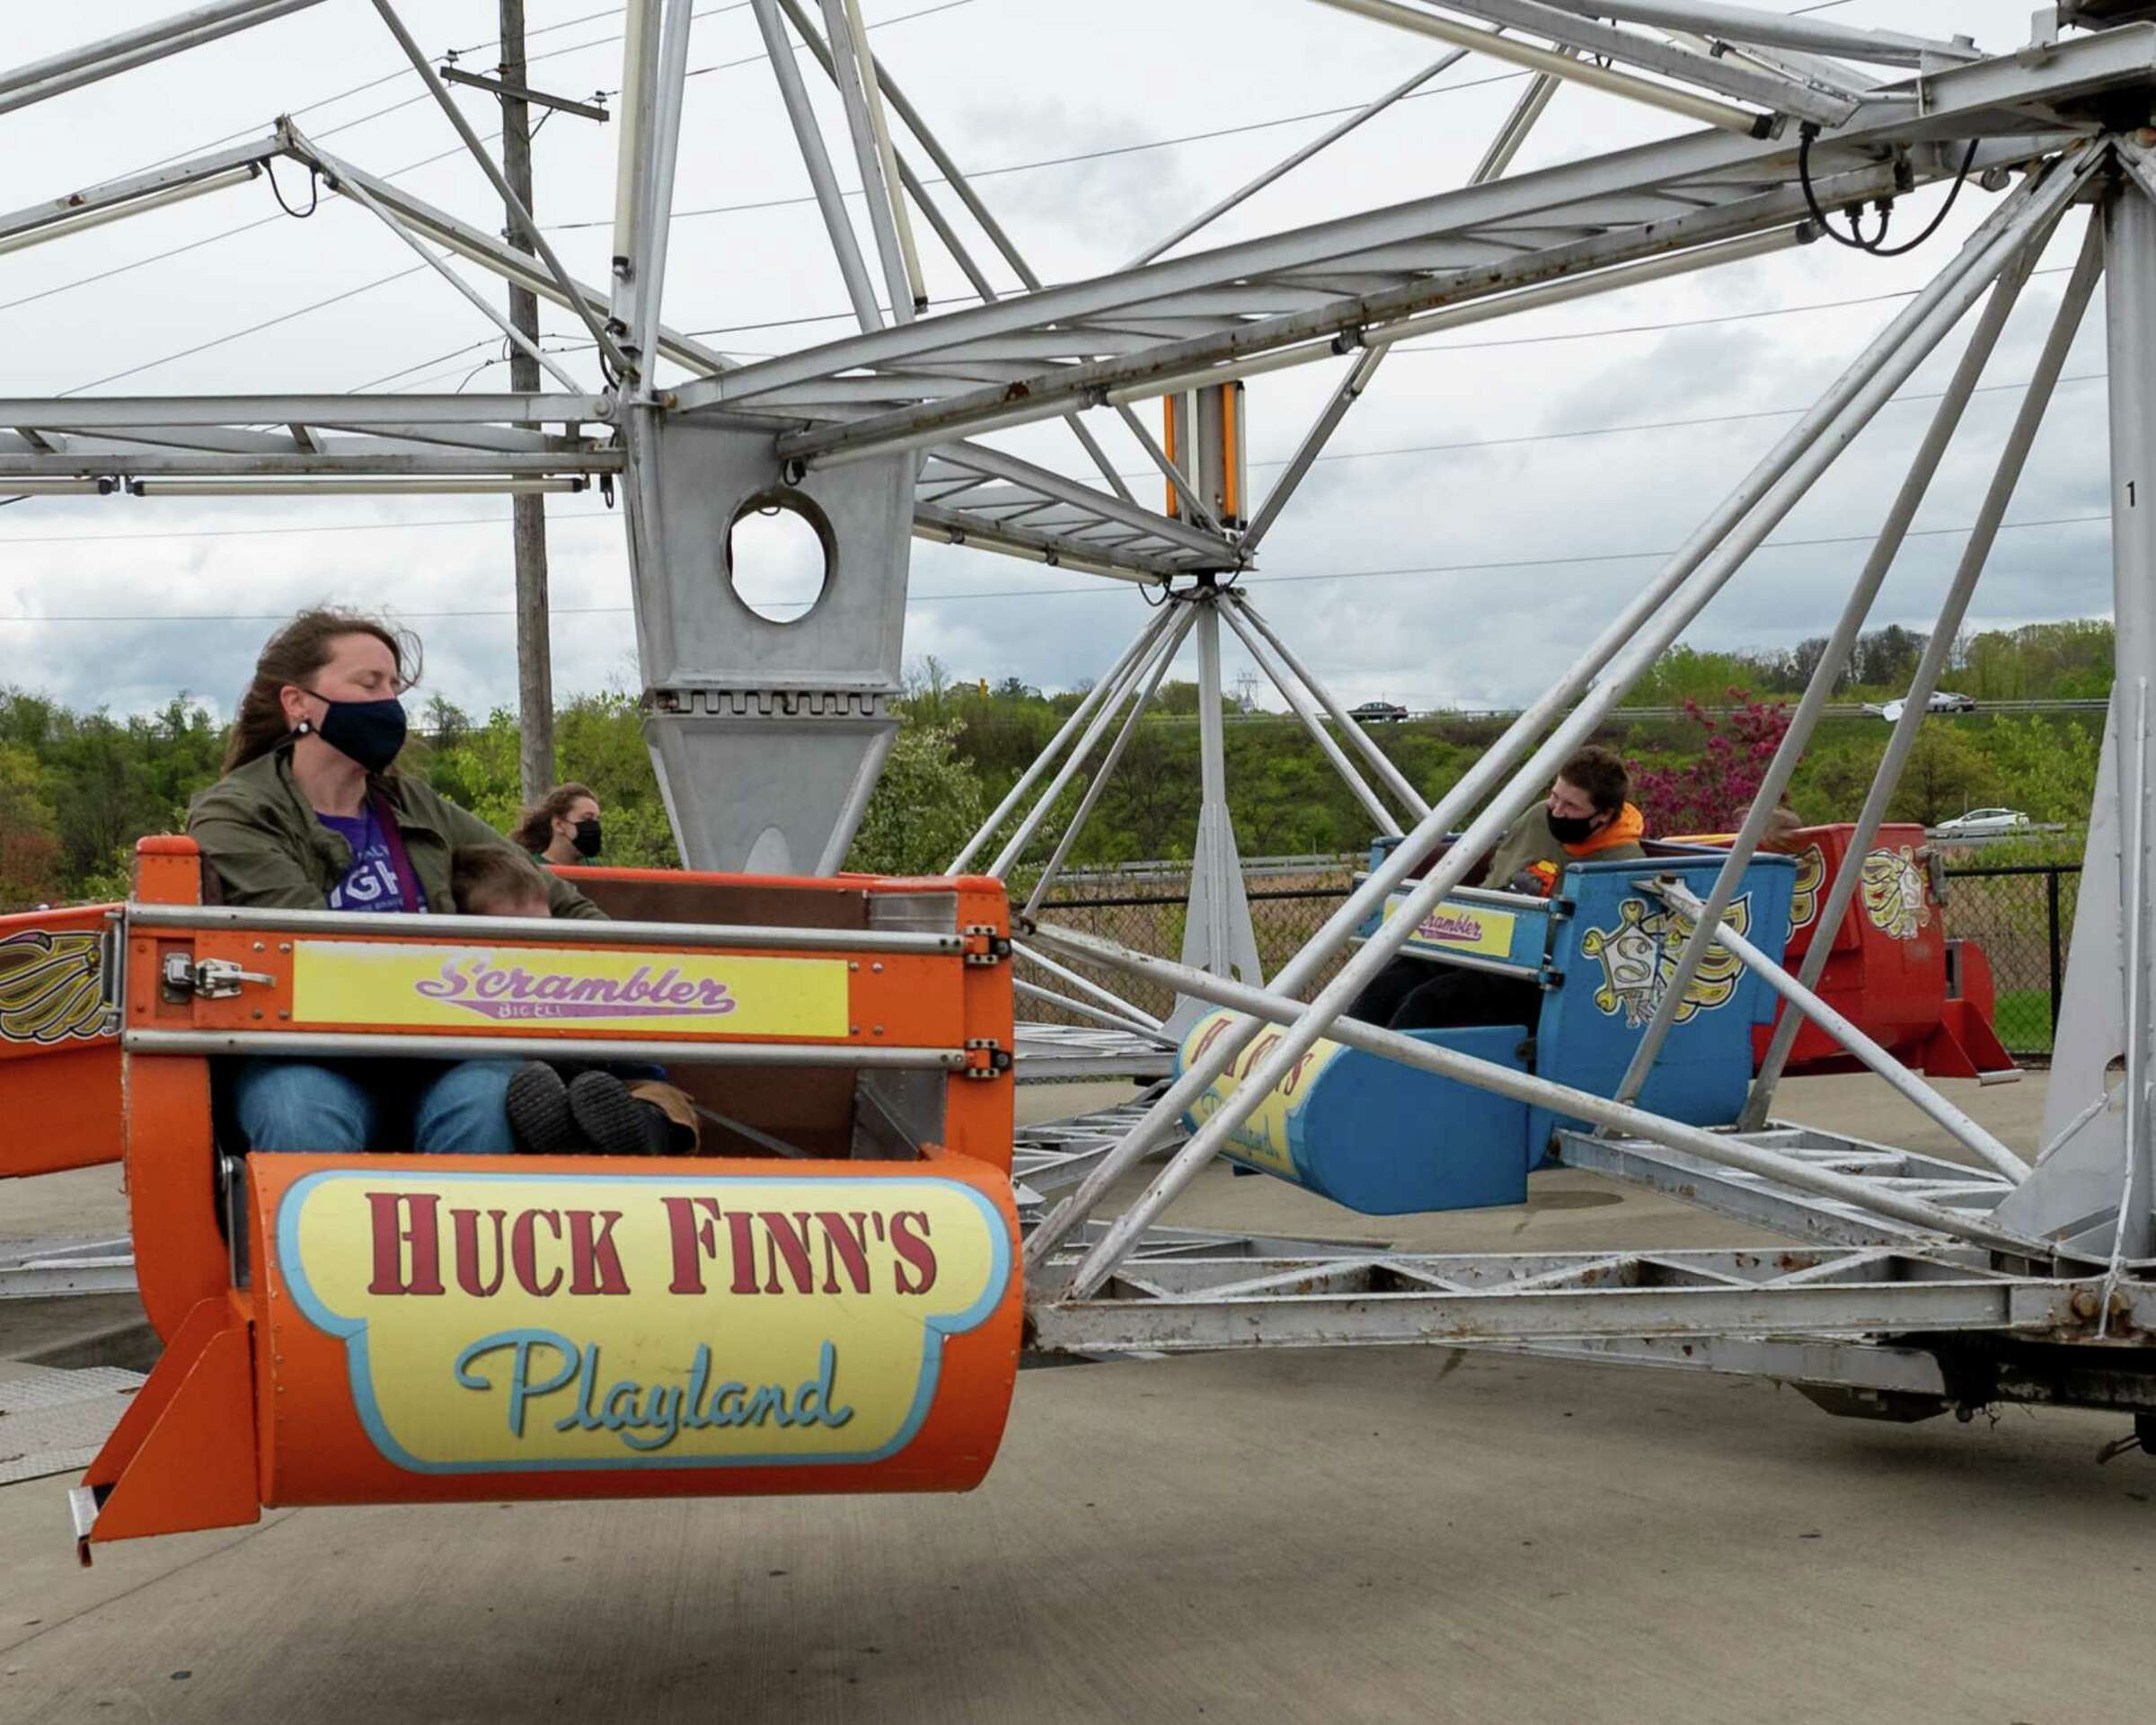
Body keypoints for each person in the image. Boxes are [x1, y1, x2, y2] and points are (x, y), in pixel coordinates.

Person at [189, 607, 605, 1155]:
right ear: (298, 704)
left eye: (393, 685)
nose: (388, 702)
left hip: (439, 1046)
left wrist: (621, 962)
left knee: (490, 1104)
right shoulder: (237, 812)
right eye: (369, 683)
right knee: (298, 1113)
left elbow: (557, 898)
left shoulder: (414, 805)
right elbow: (309, 945)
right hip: (312, 1052)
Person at [1349, 745, 1648, 1033]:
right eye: (1555, 797)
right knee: (1385, 986)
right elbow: (1494, 883)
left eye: (1570, 806)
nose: (1556, 811)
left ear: (1603, 816)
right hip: (1486, 947)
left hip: (1538, 977)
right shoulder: (1537, 820)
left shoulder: (1621, 865)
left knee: (1427, 1004)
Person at [450, 846, 699, 1157]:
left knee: (659, 1100)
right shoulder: (464, 991)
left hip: (611, 1087)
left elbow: (638, 1063)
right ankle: (580, 1150)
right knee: (518, 1097)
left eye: (544, 930)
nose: (536, 948)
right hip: (536, 1093)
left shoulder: (580, 972)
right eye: (515, 936)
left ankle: (636, 1143)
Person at [515, 783, 603, 868]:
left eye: (597, 820)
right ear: (559, 824)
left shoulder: (594, 867)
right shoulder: (532, 870)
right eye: (587, 819)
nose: (595, 826)